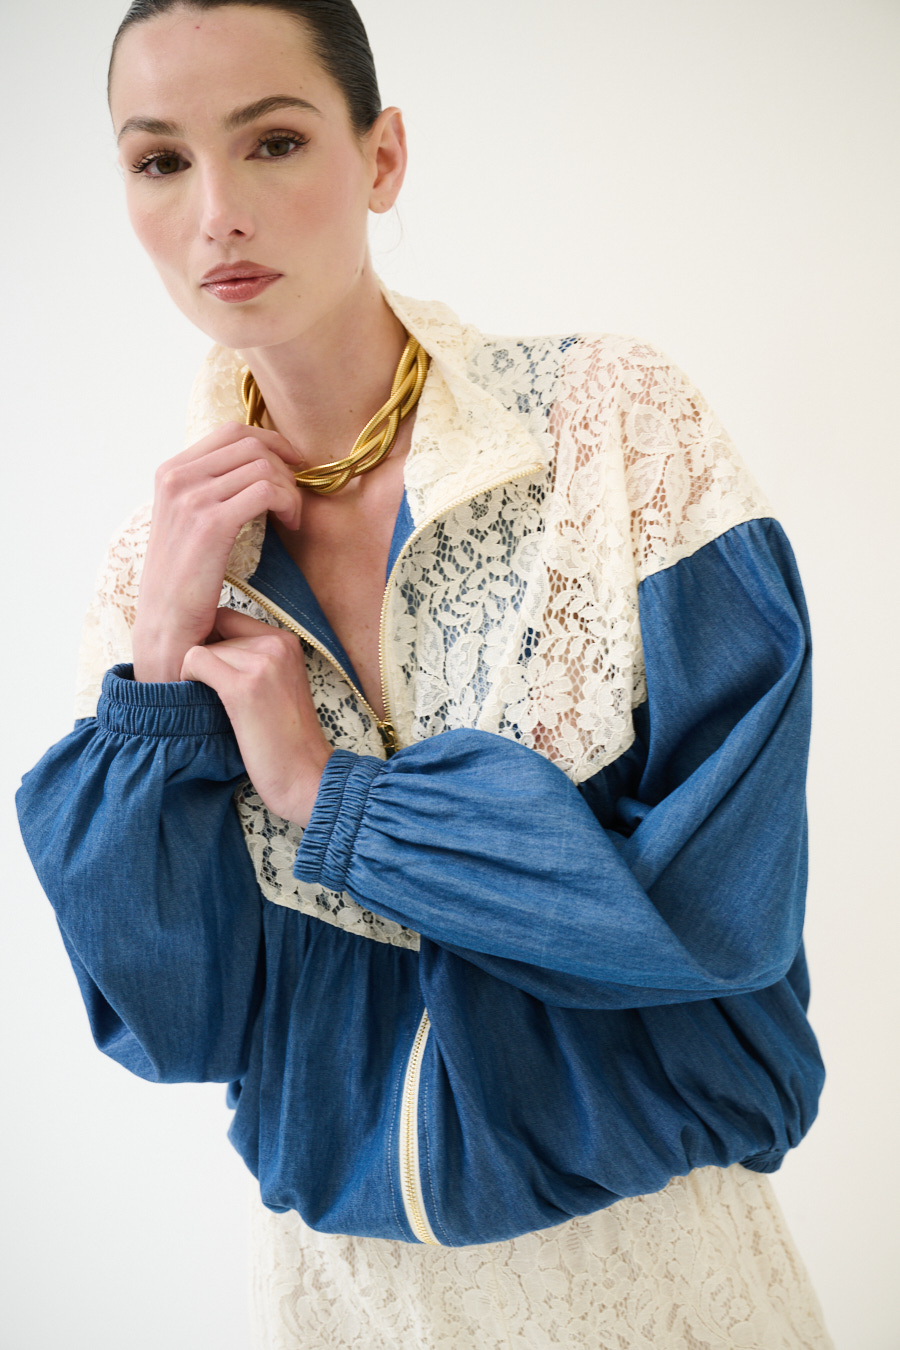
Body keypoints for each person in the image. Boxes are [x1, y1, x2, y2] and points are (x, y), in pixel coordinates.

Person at [17, 1, 835, 1345]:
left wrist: (330, 795)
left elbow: (720, 913)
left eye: (273, 141)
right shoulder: (156, 579)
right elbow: (179, 1026)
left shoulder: (611, 429)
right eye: (161, 161)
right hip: (343, 1297)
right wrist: (159, 675)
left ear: (382, 155)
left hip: (659, 1274)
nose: (217, 213)